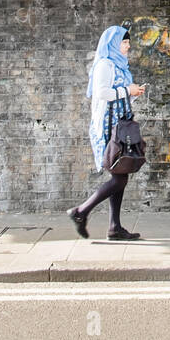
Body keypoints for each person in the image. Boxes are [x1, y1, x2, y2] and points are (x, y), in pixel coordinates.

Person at [68, 25, 145, 240]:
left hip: (121, 124)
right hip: (107, 127)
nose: (128, 46)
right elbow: (101, 93)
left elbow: (121, 95)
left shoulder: (121, 66)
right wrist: (126, 90)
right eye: (124, 42)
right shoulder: (105, 65)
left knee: (120, 173)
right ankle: (81, 212)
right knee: (118, 178)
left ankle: (114, 228)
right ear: (113, 43)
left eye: (128, 43)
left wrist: (134, 93)